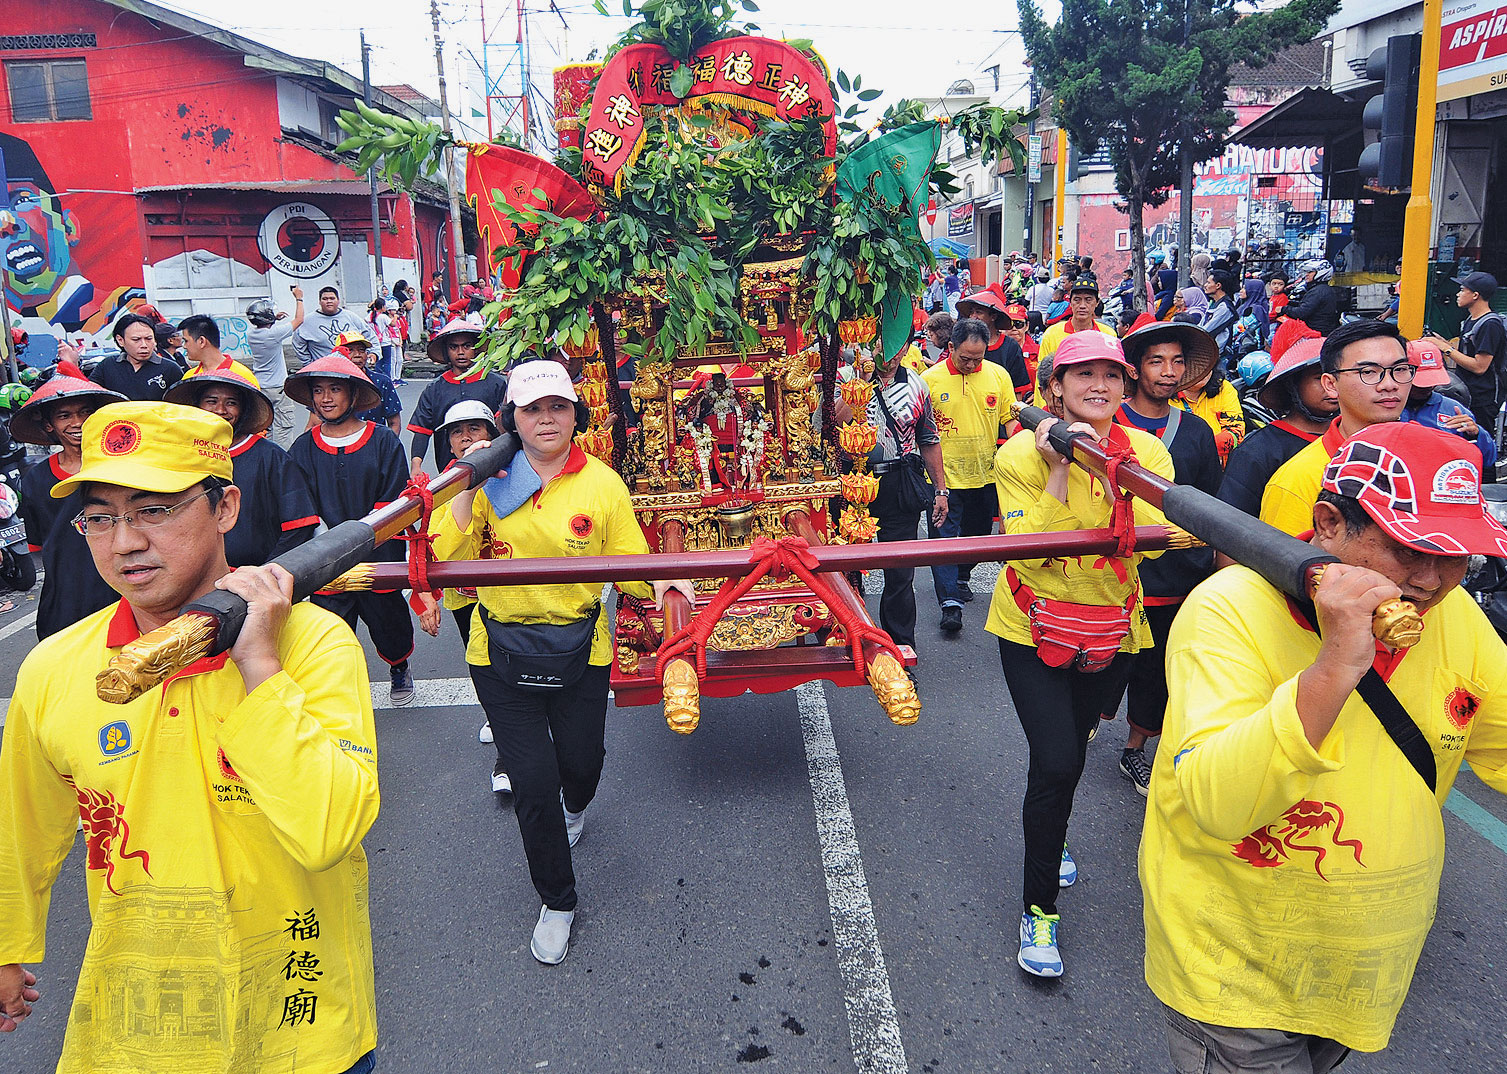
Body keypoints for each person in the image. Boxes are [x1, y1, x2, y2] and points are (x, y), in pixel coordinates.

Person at [0, 400, 380, 1073]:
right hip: (139, 1035)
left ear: (225, 508)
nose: (125, 542)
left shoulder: (313, 645)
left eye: (155, 510)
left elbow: (329, 829)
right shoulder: (56, 668)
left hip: (303, 1027)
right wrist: (6, 946)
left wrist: (259, 665)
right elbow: (21, 826)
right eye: (102, 517)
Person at [1141, 421, 1507, 1072]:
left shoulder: (1455, 615)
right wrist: (1334, 665)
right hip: (1235, 968)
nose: (1431, 578)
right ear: (1329, 524)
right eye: (1406, 547)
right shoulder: (1227, 609)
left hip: (1363, 966)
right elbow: (1218, 801)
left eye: (1455, 554)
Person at [434, 360, 691, 964]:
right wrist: (465, 493)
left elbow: (631, 560)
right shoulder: (480, 478)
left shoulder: (601, 483)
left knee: (582, 765)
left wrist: (669, 592)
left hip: (582, 648)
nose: (546, 418)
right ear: (513, 419)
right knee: (532, 782)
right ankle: (558, 898)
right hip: (499, 653)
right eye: (532, 409)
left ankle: (575, 809)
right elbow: (444, 558)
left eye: (558, 407)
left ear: (577, 414)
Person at [986, 330, 1174, 977]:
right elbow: (1031, 550)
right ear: (1055, 387)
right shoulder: (1018, 454)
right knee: (1057, 759)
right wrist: (1064, 465)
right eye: (1082, 373)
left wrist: (1113, 474)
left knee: (1074, 748)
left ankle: (1052, 829)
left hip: (1113, 629)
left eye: (1111, 375)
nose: (1099, 385)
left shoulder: (1146, 452)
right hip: (1030, 626)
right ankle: (1038, 913)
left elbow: (1150, 546)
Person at [1112, 321, 1222, 795]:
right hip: (1113, 569)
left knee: (1157, 668)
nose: (1169, 371)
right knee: (1107, 660)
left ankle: (1136, 747)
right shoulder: (1104, 424)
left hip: (1175, 572)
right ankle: (1092, 717)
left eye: (1178, 361)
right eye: (1157, 360)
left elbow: (1212, 504)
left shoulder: (1198, 431)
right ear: (1135, 369)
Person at [287, 354, 418, 706]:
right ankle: (337, 686)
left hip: (378, 549)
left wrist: (362, 539)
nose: (326, 398)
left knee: (387, 616)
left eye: (334, 389)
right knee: (328, 623)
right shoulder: (302, 448)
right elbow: (300, 503)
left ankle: (399, 666)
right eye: (318, 390)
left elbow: (393, 498)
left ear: (353, 395)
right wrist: (325, 541)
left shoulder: (383, 442)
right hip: (324, 554)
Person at [835, 341, 949, 657]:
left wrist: (940, 490)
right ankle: (850, 637)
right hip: (851, 477)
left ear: (906, 350)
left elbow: (928, 439)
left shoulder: (917, 384)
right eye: (881, 347)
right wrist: (862, 383)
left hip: (900, 480)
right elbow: (830, 424)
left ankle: (900, 646)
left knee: (900, 568)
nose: (890, 355)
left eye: (897, 347)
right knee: (847, 565)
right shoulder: (844, 377)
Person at [427, 400, 515, 791]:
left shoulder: (516, 475)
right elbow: (439, 550)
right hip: (466, 597)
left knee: (511, 667)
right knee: (482, 665)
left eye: (475, 429)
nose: (466, 438)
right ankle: (499, 718)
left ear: (493, 436)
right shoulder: (442, 485)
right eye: (457, 432)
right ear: (448, 444)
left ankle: (510, 746)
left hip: (510, 596)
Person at [1261, 320, 1411, 536]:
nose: (1389, 384)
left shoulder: (1433, 457)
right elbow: (1285, 564)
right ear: (1331, 384)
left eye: (1400, 369)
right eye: (1368, 372)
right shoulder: (1300, 479)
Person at [11, 364, 125, 639]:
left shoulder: (121, 468)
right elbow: (39, 541)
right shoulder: (36, 478)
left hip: (122, 587)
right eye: (65, 416)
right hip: (65, 596)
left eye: (85, 412)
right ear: (50, 425)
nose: (77, 423)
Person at [165, 368, 319, 567]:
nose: (220, 410)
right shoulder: (180, 456)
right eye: (211, 401)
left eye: (231, 403)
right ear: (196, 406)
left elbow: (299, 524)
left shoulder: (270, 456)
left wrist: (266, 572)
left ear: (243, 410)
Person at [922, 317, 1015, 633]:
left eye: (978, 358)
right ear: (950, 348)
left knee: (977, 535)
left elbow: (1010, 422)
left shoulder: (998, 376)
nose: (972, 364)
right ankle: (950, 604)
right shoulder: (929, 380)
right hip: (942, 480)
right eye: (965, 358)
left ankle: (962, 576)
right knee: (944, 540)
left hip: (985, 474)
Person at [1218, 334, 1336, 518]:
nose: (1331, 386)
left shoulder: (1355, 439)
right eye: (1319, 378)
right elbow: (1229, 523)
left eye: (1337, 377)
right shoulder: (1257, 451)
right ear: (1293, 384)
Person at [407, 318, 508, 476]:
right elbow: (422, 430)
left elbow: (506, 427)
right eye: (454, 347)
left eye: (466, 346)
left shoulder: (496, 384)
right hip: (449, 469)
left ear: (475, 348)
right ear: (446, 351)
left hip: (492, 465)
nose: (460, 352)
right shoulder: (434, 389)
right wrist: (416, 465)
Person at [1400, 337, 1497, 473]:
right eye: (1420, 383)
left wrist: (1475, 434)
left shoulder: (1454, 410)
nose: (1427, 387)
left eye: (1432, 380)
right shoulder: (1383, 407)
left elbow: (1488, 460)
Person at [1427, 271, 1504, 436]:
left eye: (1462, 290)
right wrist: (1443, 343)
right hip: (1468, 392)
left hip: (1483, 397)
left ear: (1475, 295)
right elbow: (1467, 353)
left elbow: (1479, 367)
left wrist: (1445, 348)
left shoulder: (1489, 324)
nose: (1458, 294)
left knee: (1479, 442)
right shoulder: (1471, 321)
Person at [246, 288, 306, 448]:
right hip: (277, 387)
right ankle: (282, 461)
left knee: (268, 425)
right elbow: (299, 320)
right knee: (283, 428)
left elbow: (266, 326)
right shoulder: (272, 335)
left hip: (261, 386)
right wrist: (299, 298)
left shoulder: (251, 335)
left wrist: (274, 319)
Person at [90, 313, 182, 401]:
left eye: (148, 339)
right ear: (120, 340)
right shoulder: (107, 366)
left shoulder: (171, 369)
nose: (144, 345)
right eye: (136, 339)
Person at [955, 290, 1030, 393]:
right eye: (971, 312)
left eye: (978, 312)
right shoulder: (960, 341)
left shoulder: (1009, 347)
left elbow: (1017, 389)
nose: (973, 316)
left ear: (993, 316)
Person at [1037, 278, 1116, 372]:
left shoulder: (1108, 335)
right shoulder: (1052, 333)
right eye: (1077, 300)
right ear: (1070, 302)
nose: (1082, 305)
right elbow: (1042, 372)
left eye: (1088, 300)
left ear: (1097, 303)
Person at [1176, 360, 1245, 468]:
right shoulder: (1165, 393)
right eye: (1194, 364)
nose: (1202, 369)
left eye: (1206, 363)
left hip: (1217, 470)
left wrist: (1208, 452)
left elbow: (1237, 431)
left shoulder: (1223, 388)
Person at [292, 286, 369, 365]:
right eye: (325, 299)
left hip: (351, 369)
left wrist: (373, 354)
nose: (329, 301)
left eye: (332, 298)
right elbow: (298, 344)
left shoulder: (351, 317)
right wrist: (309, 364)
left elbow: (370, 336)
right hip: (323, 371)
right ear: (319, 301)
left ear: (338, 300)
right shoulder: (307, 321)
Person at [177, 315, 256, 383]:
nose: (184, 346)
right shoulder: (189, 377)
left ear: (202, 341)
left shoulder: (243, 376)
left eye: (186, 341)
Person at [1284, 259, 1340, 335]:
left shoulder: (1318, 291)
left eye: (1310, 272)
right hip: (1321, 329)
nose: (1306, 274)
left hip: (1315, 332)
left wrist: (1283, 309)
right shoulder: (1322, 289)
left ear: (1321, 273)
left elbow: (1301, 313)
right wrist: (1289, 303)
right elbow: (1307, 305)